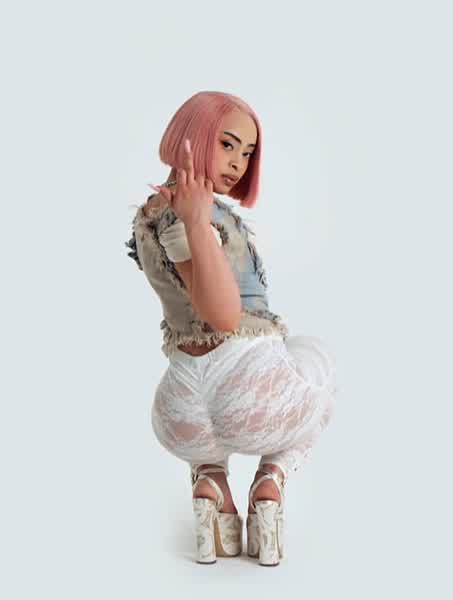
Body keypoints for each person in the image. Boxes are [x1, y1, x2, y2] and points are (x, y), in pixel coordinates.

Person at [125, 90, 338, 566]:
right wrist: (197, 223)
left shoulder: (151, 210)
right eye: (227, 144)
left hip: (179, 410)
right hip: (248, 392)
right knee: (320, 365)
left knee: (215, 437)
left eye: (247, 152)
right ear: (190, 137)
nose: (239, 162)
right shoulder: (188, 215)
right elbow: (222, 316)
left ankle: (212, 484)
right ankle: (270, 484)